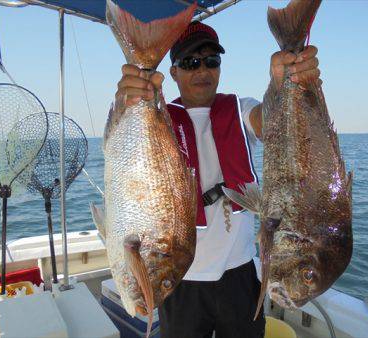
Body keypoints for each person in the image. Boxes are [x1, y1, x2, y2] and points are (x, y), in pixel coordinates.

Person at [113, 21, 320, 338]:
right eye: (190, 62)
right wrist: (126, 100)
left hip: (238, 273)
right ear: (173, 72)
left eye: (212, 61)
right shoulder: (158, 119)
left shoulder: (241, 108)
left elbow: (275, 126)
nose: (202, 70)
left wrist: (282, 88)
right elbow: (120, 148)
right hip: (177, 279)